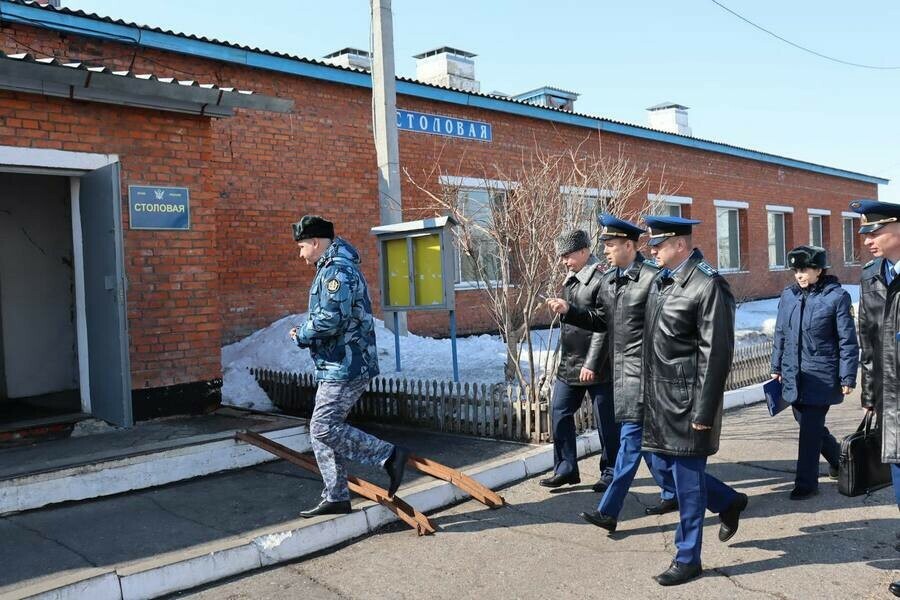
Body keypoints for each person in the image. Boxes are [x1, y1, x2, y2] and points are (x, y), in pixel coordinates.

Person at [546, 214, 677, 533]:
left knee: (630, 444)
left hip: (642, 374)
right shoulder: (615, 279)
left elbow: (669, 327)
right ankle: (690, 493)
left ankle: (609, 509)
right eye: (604, 244)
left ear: (630, 246)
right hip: (622, 373)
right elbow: (602, 322)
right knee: (642, 445)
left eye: (611, 244)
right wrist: (570, 311)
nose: (605, 250)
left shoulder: (651, 278)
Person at [640, 215, 747, 586]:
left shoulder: (708, 285)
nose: (652, 249)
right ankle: (728, 501)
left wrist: (703, 411)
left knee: (686, 484)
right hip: (659, 399)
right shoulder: (662, 280)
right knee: (663, 468)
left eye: (659, 243)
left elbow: (716, 355)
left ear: (681, 245)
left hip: (688, 404)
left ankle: (688, 558)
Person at [288, 215, 409, 517]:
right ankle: (337, 495)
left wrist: (302, 333)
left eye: (302, 247)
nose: (300, 255)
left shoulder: (337, 271)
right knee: (320, 431)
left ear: (315, 242)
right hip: (337, 362)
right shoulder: (332, 266)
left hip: (346, 364)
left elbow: (332, 318)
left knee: (323, 426)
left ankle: (389, 455)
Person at [770, 245, 858, 500]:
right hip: (793, 374)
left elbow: (847, 340)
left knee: (809, 430)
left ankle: (806, 484)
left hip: (821, 374)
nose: (799, 275)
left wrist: (847, 376)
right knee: (808, 424)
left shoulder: (837, 297)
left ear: (819, 270)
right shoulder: (788, 296)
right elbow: (780, 334)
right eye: (796, 270)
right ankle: (839, 460)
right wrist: (776, 366)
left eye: (805, 269)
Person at [539, 229, 619, 492]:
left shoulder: (601, 279)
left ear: (584, 251)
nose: (564, 261)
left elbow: (604, 325)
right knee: (559, 412)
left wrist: (592, 364)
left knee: (605, 421)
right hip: (570, 362)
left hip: (597, 364)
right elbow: (574, 317)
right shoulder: (572, 278)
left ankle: (611, 471)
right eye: (562, 256)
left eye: (568, 255)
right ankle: (565, 468)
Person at [848, 199, 900, 598]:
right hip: (892, 398)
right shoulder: (871, 276)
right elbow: (868, 338)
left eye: (875, 231)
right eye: (864, 232)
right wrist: (869, 394)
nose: (867, 239)